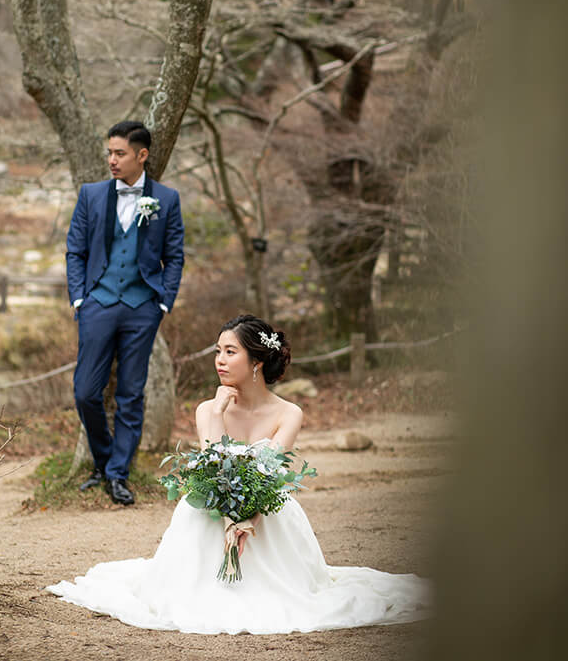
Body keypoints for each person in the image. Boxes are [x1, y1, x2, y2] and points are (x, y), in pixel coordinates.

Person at [47, 315, 431, 633]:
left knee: (292, 592)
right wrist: (216, 413)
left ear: (257, 362)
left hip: (268, 517)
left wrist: (247, 513)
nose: (220, 359)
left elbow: (269, 473)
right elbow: (213, 467)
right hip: (207, 517)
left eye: (230, 352)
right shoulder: (205, 410)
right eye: (217, 351)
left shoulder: (288, 413)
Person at [66, 120, 184, 506]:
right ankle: (102, 462)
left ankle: (117, 474)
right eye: (109, 153)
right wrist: (81, 299)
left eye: (120, 153)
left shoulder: (166, 200)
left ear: (142, 155)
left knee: (131, 395)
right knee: (86, 392)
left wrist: (163, 302)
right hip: (97, 304)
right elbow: (75, 251)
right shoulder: (92, 195)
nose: (112, 160)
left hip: (142, 309)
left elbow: (175, 255)